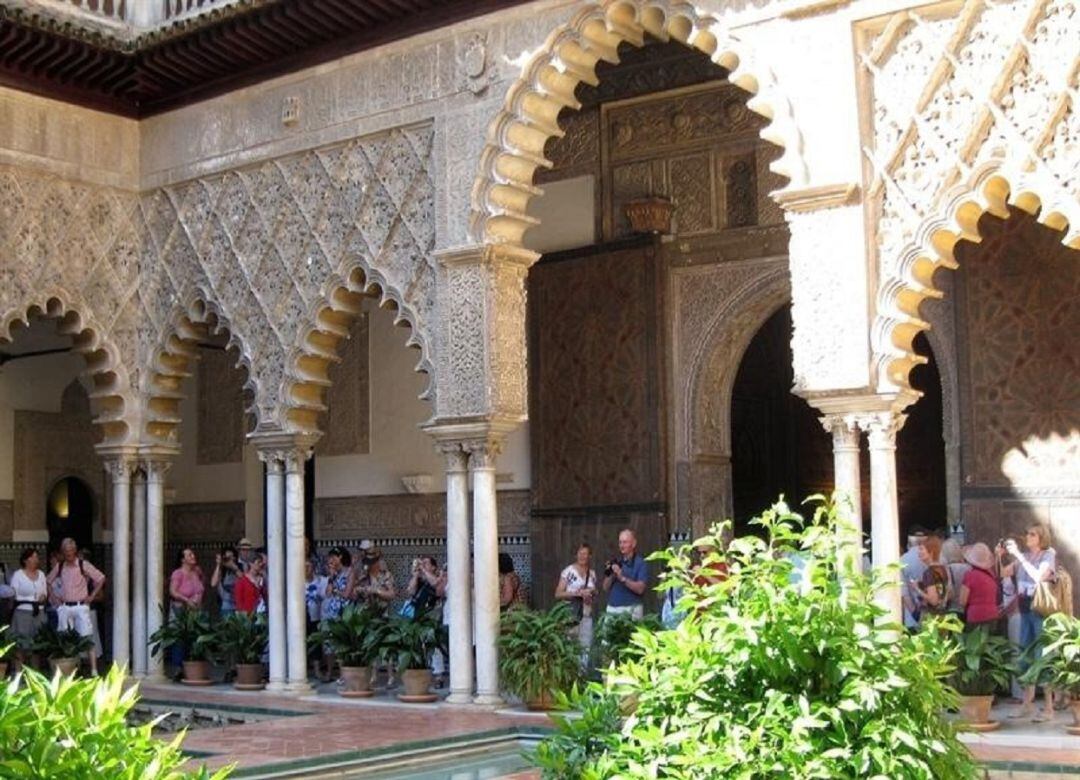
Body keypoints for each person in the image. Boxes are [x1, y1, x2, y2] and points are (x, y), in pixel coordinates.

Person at [1000, 525, 1057, 721]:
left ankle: (1049, 707)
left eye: (1032, 534)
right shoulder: (1023, 556)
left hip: (1040, 612)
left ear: (1041, 537)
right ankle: (1027, 703)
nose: (1027, 537)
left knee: (1043, 655)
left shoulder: (1048, 554)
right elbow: (1004, 572)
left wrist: (1020, 557)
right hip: (1024, 610)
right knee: (1025, 656)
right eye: (1027, 533)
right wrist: (1001, 555)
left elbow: (1039, 577)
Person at [46, 538, 105, 675]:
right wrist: (55, 598)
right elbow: (48, 581)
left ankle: (94, 670)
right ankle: (70, 670)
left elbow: (101, 578)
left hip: (80, 606)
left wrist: (91, 596)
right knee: (65, 639)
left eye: (71, 552)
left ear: (75, 551)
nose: (69, 555)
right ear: (63, 552)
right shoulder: (60, 566)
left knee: (87, 637)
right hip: (65, 607)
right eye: (66, 552)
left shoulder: (83, 565)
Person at [9, 547, 48, 672]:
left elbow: (45, 592)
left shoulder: (41, 574)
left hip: (38, 612)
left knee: (37, 645)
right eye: (33, 557)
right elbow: (12, 593)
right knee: (21, 645)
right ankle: (18, 673)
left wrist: (43, 596)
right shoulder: (18, 575)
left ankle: (35, 674)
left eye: (37, 557)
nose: (36, 559)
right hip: (22, 613)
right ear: (26, 560)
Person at [555, 543, 597, 651]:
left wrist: (591, 592)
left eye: (585, 554)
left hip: (587, 614)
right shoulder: (569, 571)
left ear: (590, 556)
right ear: (576, 555)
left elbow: (595, 591)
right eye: (580, 553)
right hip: (571, 614)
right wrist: (576, 593)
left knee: (586, 647)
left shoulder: (592, 574)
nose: (582, 556)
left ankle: (583, 668)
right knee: (570, 646)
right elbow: (558, 593)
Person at [602, 529, 648, 620]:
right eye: (620, 542)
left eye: (625, 542)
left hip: (632, 609)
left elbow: (640, 589)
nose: (622, 545)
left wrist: (622, 578)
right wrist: (612, 574)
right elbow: (605, 587)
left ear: (634, 544)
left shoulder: (640, 563)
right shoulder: (616, 561)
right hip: (612, 608)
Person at [908, 534, 952, 624]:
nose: (919, 552)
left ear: (931, 552)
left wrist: (916, 588)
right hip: (943, 616)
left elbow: (933, 600)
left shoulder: (929, 573)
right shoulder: (943, 569)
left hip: (931, 618)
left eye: (921, 549)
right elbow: (946, 592)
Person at [958, 542, 999, 629]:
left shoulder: (970, 575)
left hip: (975, 616)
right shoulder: (991, 575)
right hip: (992, 615)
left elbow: (962, 601)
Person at [900, 528, 929, 631]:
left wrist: (914, 613)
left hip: (911, 617)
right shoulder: (935, 558)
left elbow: (903, 591)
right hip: (933, 616)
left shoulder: (903, 560)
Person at [304, 559, 327, 679]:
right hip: (301, 619)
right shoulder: (297, 581)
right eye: (304, 566)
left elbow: (326, 595)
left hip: (316, 617)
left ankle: (318, 671)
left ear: (313, 567)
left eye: (308, 566)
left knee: (316, 645)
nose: (306, 569)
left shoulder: (321, 581)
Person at [353, 550, 395, 615]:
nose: (368, 564)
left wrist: (376, 591)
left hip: (381, 614)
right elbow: (353, 594)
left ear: (377, 562)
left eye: (371, 562)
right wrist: (358, 590)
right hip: (364, 615)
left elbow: (391, 595)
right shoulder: (362, 576)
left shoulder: (386, 575)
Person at [170, 548, 205, 613]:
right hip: (181, 613)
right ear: (183, 560)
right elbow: (173, 592)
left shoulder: (196, 572)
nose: (193, 556)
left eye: (193, 554)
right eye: (190, 555)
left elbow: (201, 588)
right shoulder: (178, 573)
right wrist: (187, 600)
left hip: (195, 613)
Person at [210, 545, 240, 617]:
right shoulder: (222, 570)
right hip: (226, 605)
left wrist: (233, 567)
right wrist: (218, 565)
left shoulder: (240, 567)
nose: (228, 559)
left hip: (239, 605)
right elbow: (213, 584)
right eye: (226, 557)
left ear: (235, 557)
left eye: (230, 557)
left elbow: (244, 579)